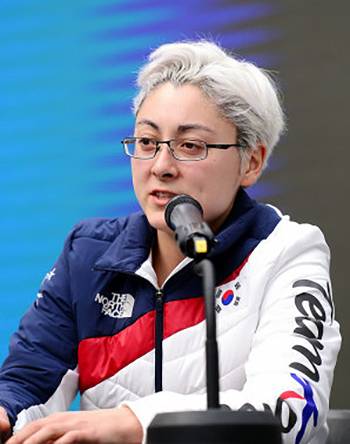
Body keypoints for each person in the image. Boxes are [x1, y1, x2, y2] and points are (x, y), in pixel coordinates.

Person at [0, 40, 341, 444]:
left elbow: (291, 411)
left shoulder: (286, 252)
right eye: (147, 142)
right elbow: (27, 384)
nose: (161, 167)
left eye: (190, 146)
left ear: (251, 162)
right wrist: (6, 414)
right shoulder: (89, 254)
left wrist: (134, 424)